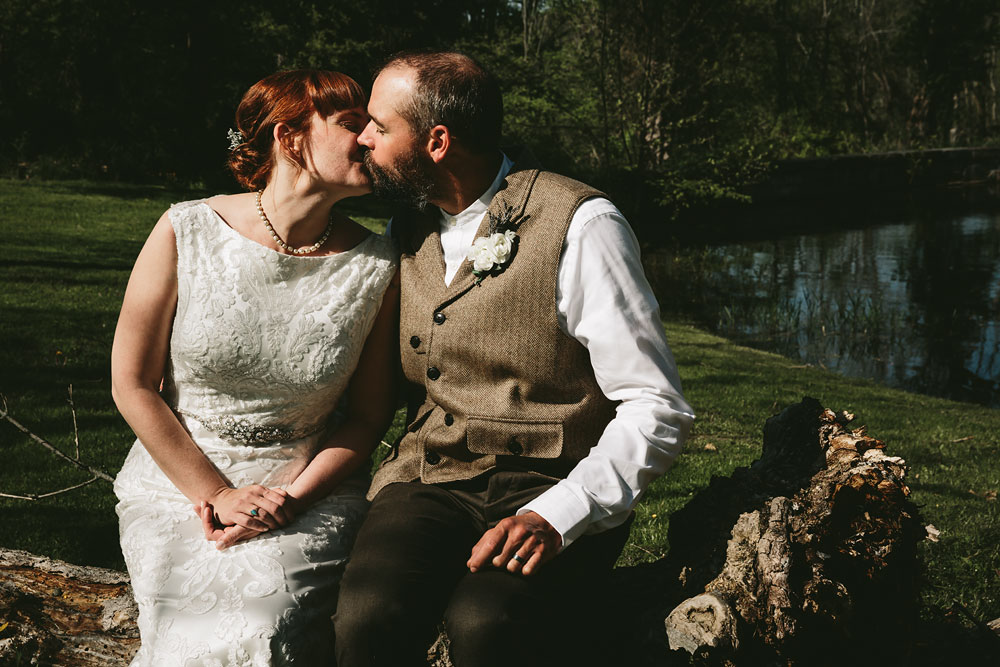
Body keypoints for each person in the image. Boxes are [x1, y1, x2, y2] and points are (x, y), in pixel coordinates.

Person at [333, 51, 695, 667]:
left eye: (379, 126)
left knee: (486, 623)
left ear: (437, 141)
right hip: (431, 479)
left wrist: (563, 513)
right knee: (368, 617)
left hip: (555, 476)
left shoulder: (580, 224)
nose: (361, 137)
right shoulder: (406, 229)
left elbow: (656, 405)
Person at [111, 69, 399, 665]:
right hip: (179, 485)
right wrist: (215, 492)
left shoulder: (378, 266)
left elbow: (370, 417)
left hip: (307, 493)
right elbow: (133, 384)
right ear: (290, 137)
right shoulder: (185, 228)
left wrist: (287, 501)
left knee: (265, 623)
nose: (372, 138)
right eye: (352, 125)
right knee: (183, 623)